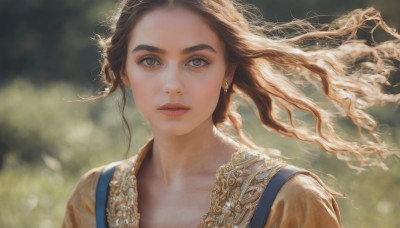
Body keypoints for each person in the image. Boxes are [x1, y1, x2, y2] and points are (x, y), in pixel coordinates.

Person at [62, 0, 400, 227]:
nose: (173, 85)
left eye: (197, 61)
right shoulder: (94, 195)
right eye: (150, 60)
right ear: (124, 71)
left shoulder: (289, 200)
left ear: (227, 72)